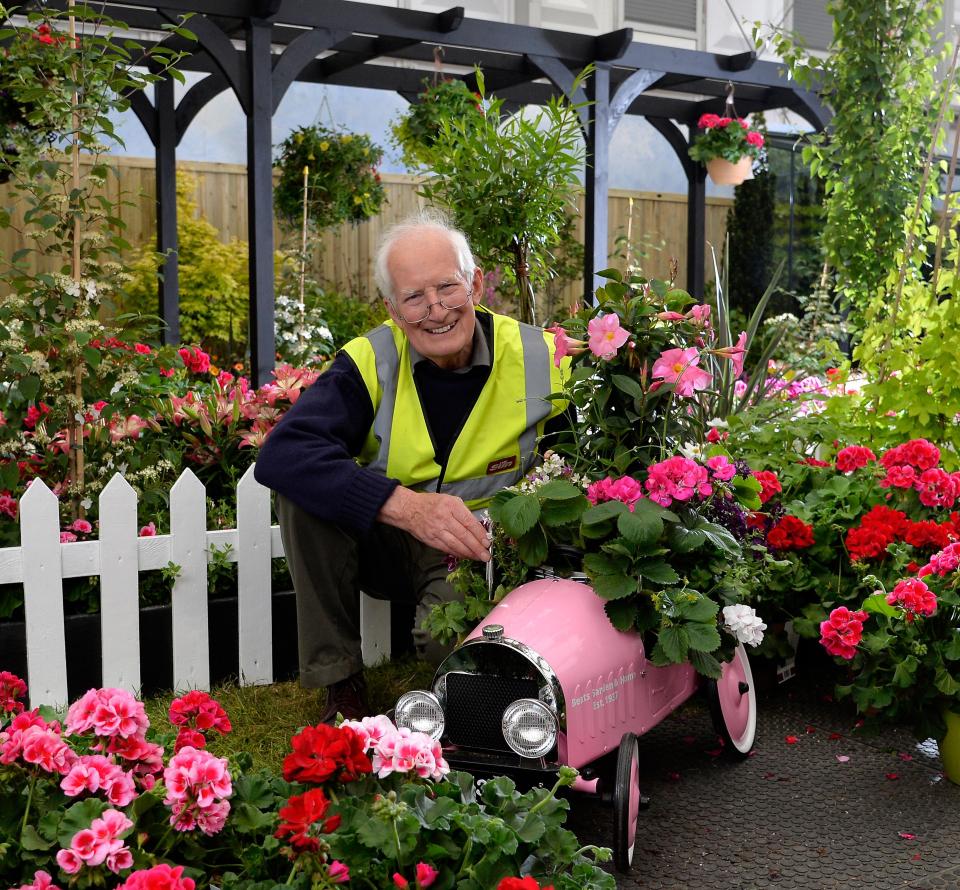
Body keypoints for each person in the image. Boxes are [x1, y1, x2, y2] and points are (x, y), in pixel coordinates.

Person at [254, 211, 567, 723]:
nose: (436, 309)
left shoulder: (540, 355)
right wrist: (402, 505)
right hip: (388, 543)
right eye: (414, 297)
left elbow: (581, 463)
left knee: (443, 647)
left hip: (479, 547)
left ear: (476, 284)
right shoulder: (368, 358)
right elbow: (284, 453)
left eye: (448, 287)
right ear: (392, 309)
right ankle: (340, 679)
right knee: (300, 493)